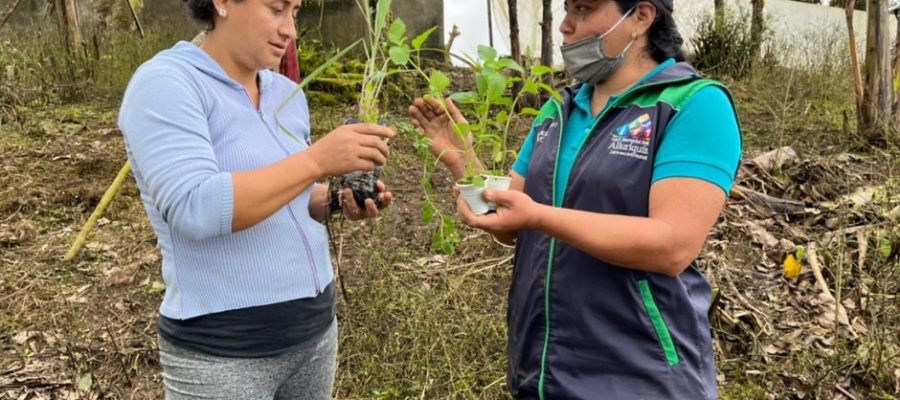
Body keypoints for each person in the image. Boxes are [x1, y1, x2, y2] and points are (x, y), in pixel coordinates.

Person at [409, 0, 741, 399]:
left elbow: (672, 245)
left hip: (642, 378)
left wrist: (541, 217)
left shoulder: (693, 104)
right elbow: (512, 222)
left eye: (583, 9)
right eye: (566, 10)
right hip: (543, 371)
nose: (565, 26)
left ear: (641, 16)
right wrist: (464, 163)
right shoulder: (558, 110)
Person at [118, 0, 395, 399]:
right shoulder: (166, 83)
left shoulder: (284, 92)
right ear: (223, 3)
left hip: (313, 332)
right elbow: (195, 207)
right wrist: (317, 159)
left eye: (295, 13)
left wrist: (334, 200)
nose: (290, 30)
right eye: (276, 9)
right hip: (225, 351)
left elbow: (289, 195)